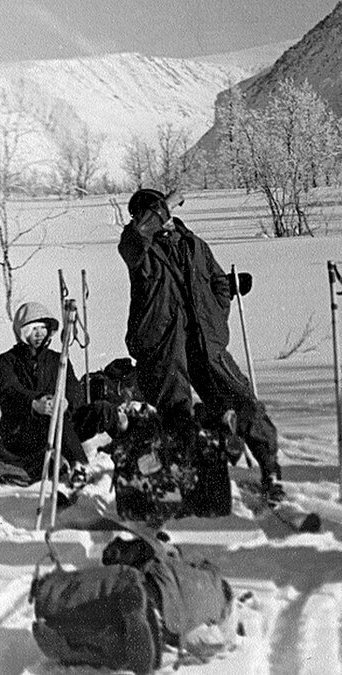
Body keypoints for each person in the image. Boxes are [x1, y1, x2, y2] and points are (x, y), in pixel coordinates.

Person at [117, 188, 284, 502]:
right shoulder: (138, 248)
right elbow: (137, 235)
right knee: (176, 415)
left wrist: (219, 311)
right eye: (148, 213)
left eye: (156, 211)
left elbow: (218, 282)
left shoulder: (195, 245)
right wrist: (163, 205)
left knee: (242, 400)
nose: (157, 218)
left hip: (205, 343)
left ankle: (270, 468)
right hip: (165, 345)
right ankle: (186, 479)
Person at [0, 301, 87, 481]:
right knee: (54, 418)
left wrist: (67, 401)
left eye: (43, 328)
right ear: (23, 332)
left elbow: (75, 391)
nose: (40, 334)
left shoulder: (58, 360)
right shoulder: (5, 362)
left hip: (61, 425)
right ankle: (80, 468)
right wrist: (34, 404)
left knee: (101, 411)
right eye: (34, 329)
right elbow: (9, 392)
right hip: (20, 431)